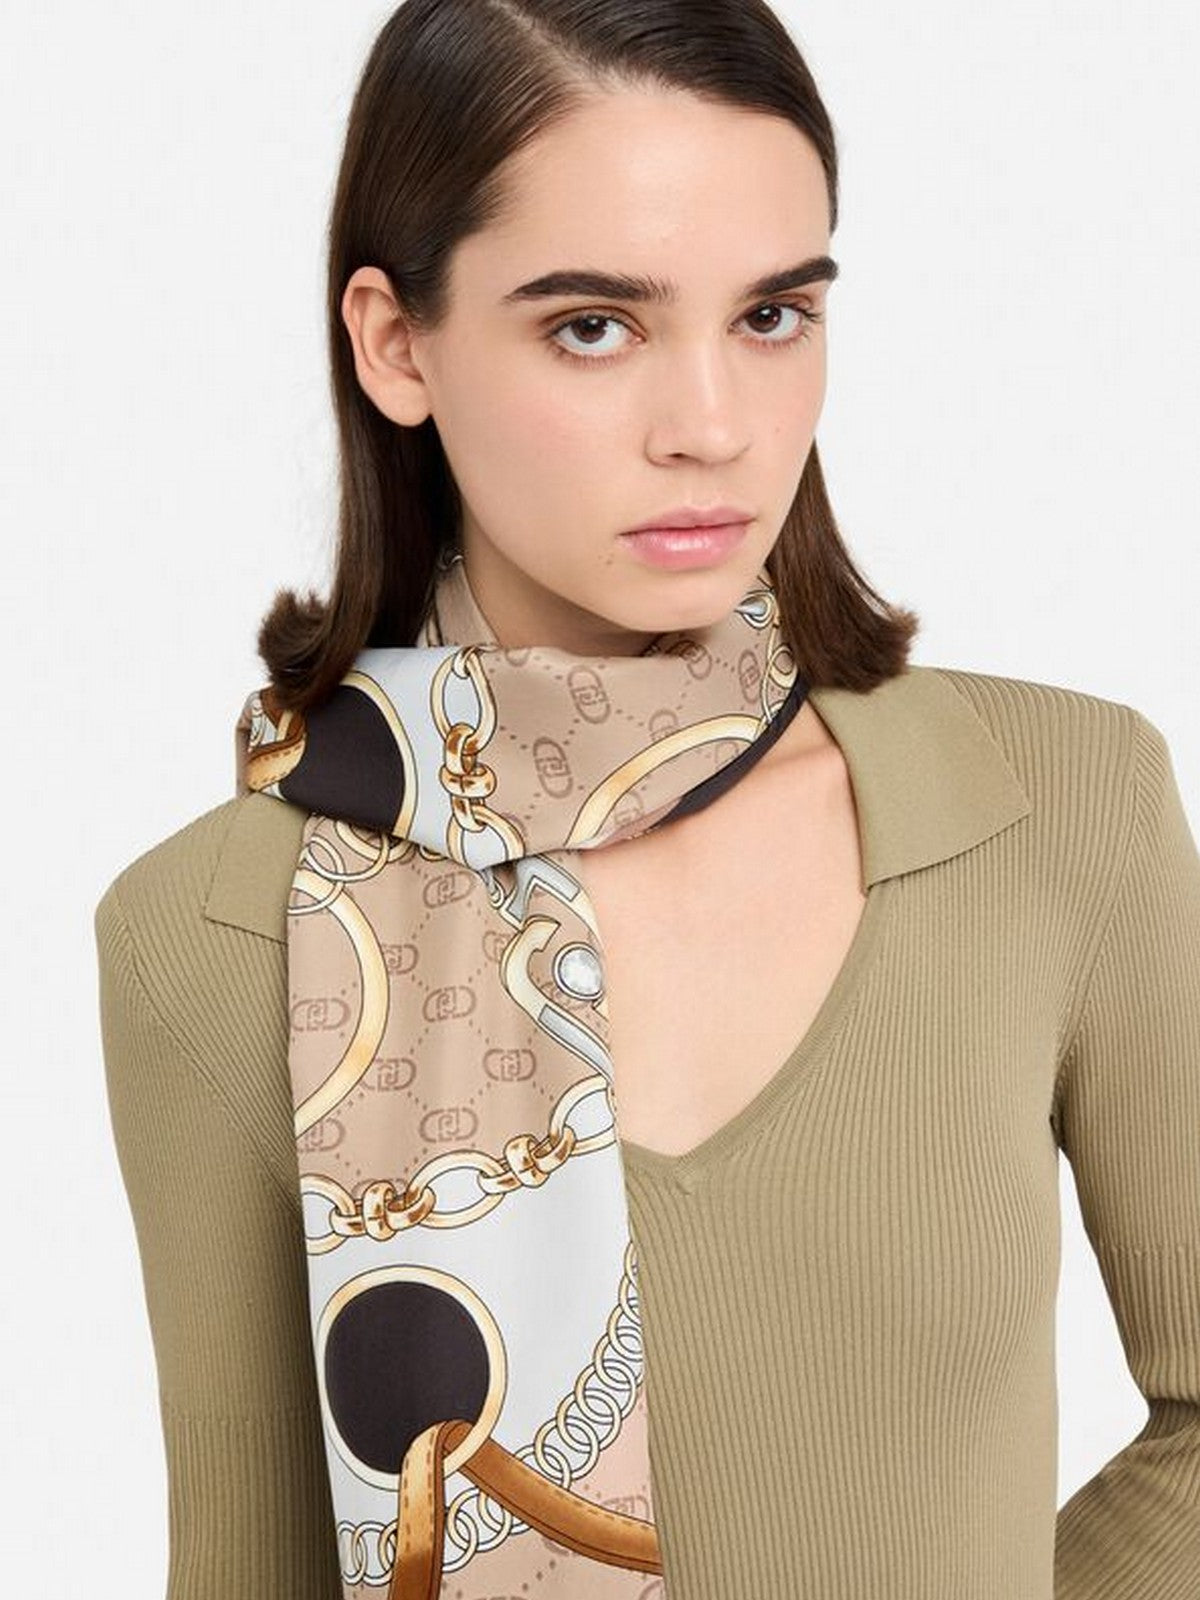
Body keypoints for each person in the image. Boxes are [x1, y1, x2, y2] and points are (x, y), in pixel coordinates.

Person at [93, 3, 1200, 1598]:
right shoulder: (208, 935)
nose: (714, 428)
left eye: (772, 315)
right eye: (595, 327)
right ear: (396, 345)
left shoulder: (1056, 809)